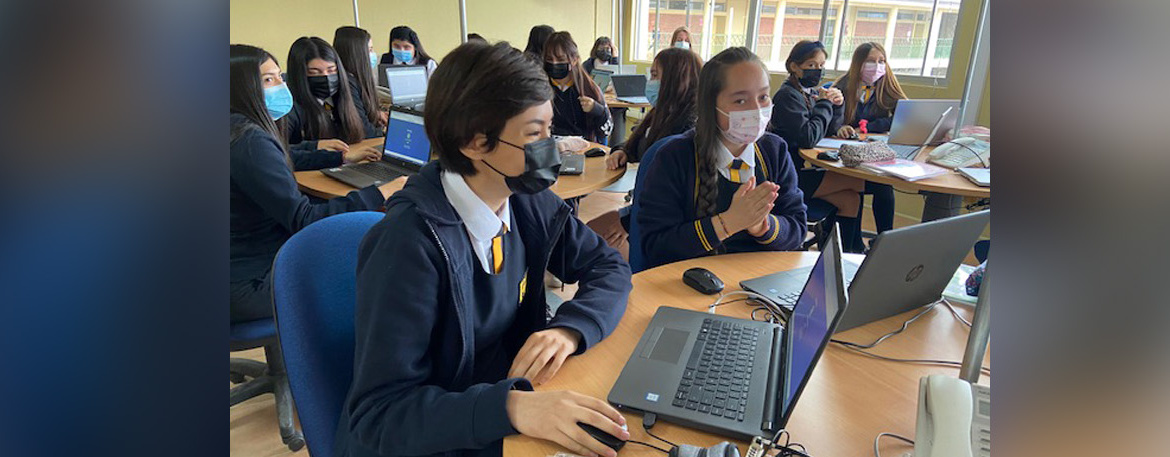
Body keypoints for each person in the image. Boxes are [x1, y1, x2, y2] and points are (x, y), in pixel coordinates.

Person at [334, 41, 633, 457]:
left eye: (551, 130)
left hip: (495, 407)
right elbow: (379, 416)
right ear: (475, 143)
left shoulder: (524, 199)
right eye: (535, 134)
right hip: (443, 434)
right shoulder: (407, 246)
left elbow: (608, 266)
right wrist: (511, 408)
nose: (552, 147)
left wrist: (570, 329)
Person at [229, 44, 392, 324]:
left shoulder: (234, 129)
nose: (282, 86)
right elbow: (304, 219)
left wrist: (336, 156)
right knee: (378, 267)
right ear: (242, 87)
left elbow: (281, 157)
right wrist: (380, 192)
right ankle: (329, 362)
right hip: (248, 282)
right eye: (269, 80)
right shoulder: (250, 142)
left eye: (280, 76)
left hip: (234, 264)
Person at [636, 47, 807, 270]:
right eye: (740, 101)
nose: (756, 110)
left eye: (763, 97)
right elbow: (656, 246)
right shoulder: (675, 157)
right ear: (711, 105)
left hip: (759, 282)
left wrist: (761, 226)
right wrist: (728, 223)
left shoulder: (774, 151)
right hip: (688, 285)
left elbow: (797, 227)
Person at [589, 47, 703, 259]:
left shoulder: (688, 129)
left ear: (675, 79)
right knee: (585, 235)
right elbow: (638, 144)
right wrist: (622, 151)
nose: (650, 83)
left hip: (659, 222)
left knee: (591, 243)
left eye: (655, 75)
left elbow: (671, 199)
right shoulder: (663, 113)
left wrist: (627, 222)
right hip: (641, 211)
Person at [767, 40, 866, 252]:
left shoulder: (808, 92)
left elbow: (828, 130)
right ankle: (851, 249)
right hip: (790, 176)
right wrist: (824, 104)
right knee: (858, 182)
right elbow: (809, 137)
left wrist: (837, 106)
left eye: (821, 66)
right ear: (794, 66)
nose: (817, 71)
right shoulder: (788, 96)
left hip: (806, 169)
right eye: (811, 65)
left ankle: (843, 254)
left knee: (851, 199)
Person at [833, 42, 907, 234]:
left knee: (884, 188)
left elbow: (904, 115)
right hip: (847, 155)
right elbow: (830, 117)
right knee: (856, 189)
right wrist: (841, 127)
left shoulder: (886, 85)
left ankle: (885, 238)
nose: (877, 66)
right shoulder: (842, 85)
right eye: (871, 61)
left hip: (875, 153)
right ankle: (854, 243)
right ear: (859, 63)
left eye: (881, 61)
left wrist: (870, 127)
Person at [283, 36, 376, 145]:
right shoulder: (289, 108)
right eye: (314, 72)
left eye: (331, 70)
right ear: (299, 75)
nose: (326, 77)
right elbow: (282, 151)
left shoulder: (341, 96)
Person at [542, 31, 612, 143]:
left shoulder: (589, 88)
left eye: (560, 60)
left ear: (574, 60)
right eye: (550, 59)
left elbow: (607, 130)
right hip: (547, 148)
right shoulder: (539, 88)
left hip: (582, 148)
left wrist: (597, 110)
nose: (554, 64)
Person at [333, 26, 386, 133]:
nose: (373, 54)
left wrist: (376, 113)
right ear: (358, 53)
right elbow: (364, 129)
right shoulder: (348, 83)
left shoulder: (354, 78)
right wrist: (386, 133)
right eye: (370, 50)